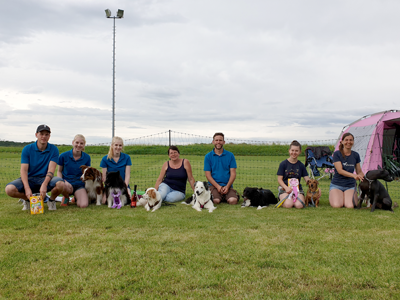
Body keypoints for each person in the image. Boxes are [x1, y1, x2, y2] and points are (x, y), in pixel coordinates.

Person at [5, 124, 64, 211]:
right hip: (30, 179)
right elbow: (24, 171)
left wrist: (44, 185)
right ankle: (28, 200)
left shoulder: (54, 149)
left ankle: (51, 201)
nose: (44, 136)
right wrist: (27, 188)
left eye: (46, 134)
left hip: (44, 178)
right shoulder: (27, 149)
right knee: (9, 189)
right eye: (41, 134)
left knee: (61, 184)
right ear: (36, 135)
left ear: (49, 136)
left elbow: (51, 170)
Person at [329, 132, 364, 208]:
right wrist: (354, 175)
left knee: (350, 206)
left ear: (353, 142)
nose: (348, 142)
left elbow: (359, 171)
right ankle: (335, 195)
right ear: (342, 141)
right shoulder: (337, 154)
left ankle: (350, 196)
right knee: (337, 205)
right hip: (337, 184)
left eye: (351, 140)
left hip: (350, 185)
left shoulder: (356, 155)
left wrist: (364, 178)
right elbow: (340, 170)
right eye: (346, 140)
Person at [277, 140, 315, 209]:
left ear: (300, 152)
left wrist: (315, 186)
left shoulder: (301, 165)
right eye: (292, 150)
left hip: (298, 190)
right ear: (289, 151)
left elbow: (307, 179)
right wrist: (286, 188)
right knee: (289, 205)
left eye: (296, 151)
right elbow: (279, 179)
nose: (294, 153)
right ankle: (282, 198)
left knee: (299, 205)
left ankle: (294, 199)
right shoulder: (283, 164)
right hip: (285, 189)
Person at [204, 132, 238, 205]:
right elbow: (208, 175)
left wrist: (227, 186)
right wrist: (218, 187)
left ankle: (228, 195)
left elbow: (233, 174)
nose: (218, 142)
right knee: (215, 201)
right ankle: (219, 196)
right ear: (213, 142)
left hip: (227, 185)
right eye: (216, 140)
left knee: (233, 201)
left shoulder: (230, 155)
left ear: (224, 142)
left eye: (220, 140)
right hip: (213, 186)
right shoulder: (208, 156)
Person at [57, 134, 91, 208]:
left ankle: (76, 197)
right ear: (73, 142)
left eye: (81, 143)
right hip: (66, 183)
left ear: (84, 145)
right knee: (61, 185)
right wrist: (62, 181)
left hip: (79, 184)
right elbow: (59, 171)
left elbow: (87, 173)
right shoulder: (63, 156)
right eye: (77, 142)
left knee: (83, 205)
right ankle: (66, 197)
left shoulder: (87, 157)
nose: (79, 145)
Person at [100, 137, 132, 202]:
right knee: (104, 201)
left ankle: (130, 192)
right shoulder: (105, 159)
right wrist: (109, 188)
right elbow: (104, 177)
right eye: (116, 145)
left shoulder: (127, 157)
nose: (118, 147)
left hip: (122, 185)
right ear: (112, 145)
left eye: (120, 145)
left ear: (122, 146)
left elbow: (127, 175)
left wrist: (124, 187)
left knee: (128, 199)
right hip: (110, 186)